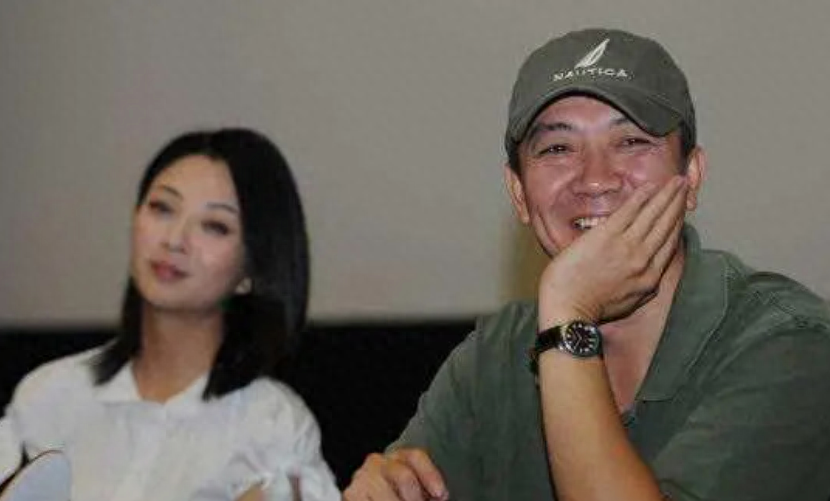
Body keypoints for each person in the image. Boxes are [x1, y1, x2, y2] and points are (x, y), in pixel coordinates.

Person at [343, 28, 830, 501]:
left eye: (631, 142)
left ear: (692, 176)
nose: (595, 180)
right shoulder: (497, 356)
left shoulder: (789, 343)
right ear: (519, 193)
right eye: (558, 148)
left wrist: (567, 319)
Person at [0, 128, 340, 500]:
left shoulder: (271, 426)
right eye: (162, 208)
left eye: (215, 226)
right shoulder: (51, 395)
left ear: (251, 271)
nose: (174, 240)